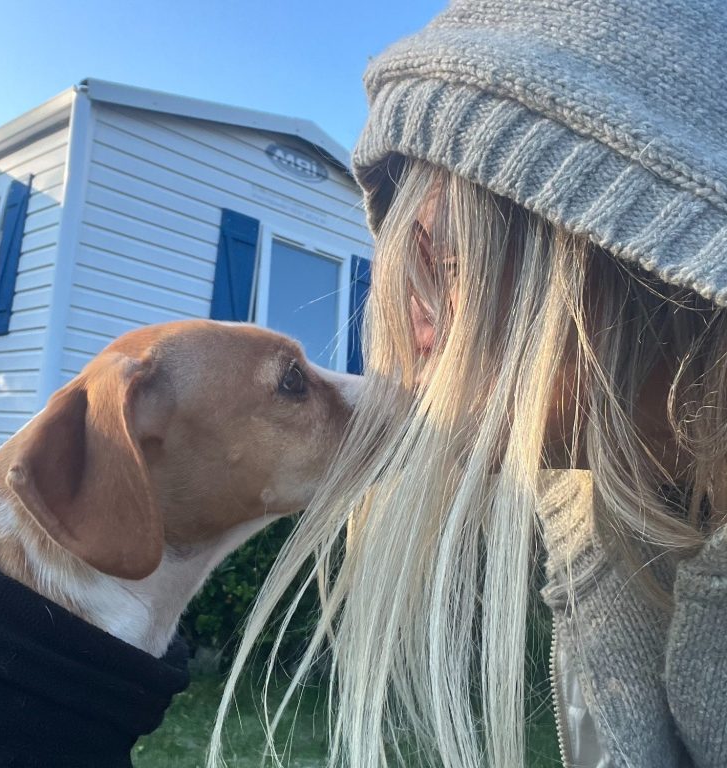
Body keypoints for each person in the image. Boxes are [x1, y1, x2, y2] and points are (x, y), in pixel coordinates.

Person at [210, 1, 727, 766]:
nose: (406, 336)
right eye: (405, 279)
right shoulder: (614, 558)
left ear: (639, 241)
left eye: (446, 265)